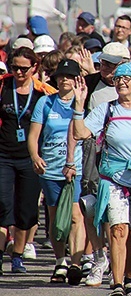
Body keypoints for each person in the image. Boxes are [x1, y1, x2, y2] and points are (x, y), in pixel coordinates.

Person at [72, 62, 131, 296]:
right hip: (113, 179)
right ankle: (116, 284)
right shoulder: (107, 110)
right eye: (118, 79)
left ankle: (130, 278)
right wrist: (78, 105)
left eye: (127, 78)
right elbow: (79, 133)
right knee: (118, 230)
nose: (121, 82)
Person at [28, 59, 86, 285]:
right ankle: (60, 260)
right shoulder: (45, 102)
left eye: (69, 76)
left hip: (75, 168)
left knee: (75, 216)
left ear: (76, 79)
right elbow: (34, 135)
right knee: (54, 218)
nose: (64, 79)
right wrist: (35, 157)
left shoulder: (81, 102)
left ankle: (76, 264)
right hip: (50, 168)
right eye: (61, 75)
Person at [0, 47, 56, 274]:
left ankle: (17, 256)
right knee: (3, 206)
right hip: (3, 155)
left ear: (34, 68)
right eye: (15, 68)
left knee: (27, 210)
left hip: (31, 158)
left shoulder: (44, 93)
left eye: (24, 68)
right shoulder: (3, 86)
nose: (19, 72)